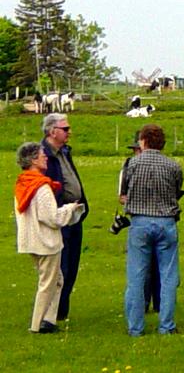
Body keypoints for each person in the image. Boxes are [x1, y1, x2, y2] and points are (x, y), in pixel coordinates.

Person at [14, 142, 84, 333]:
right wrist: (70, 208)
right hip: (45, 241)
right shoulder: (42, 187)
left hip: (30, 240)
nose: (46, 157)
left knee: (57, 279)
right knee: (48, 283)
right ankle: (37, 325)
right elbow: (52, 218)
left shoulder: (23, 183)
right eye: (42, 155)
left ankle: (49, 320)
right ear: (33, 160)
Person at [121, 124, 184, 336]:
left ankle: (135, 327)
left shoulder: (132, 164)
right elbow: (176, 190)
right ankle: (166, 325)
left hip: (140, 221)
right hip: (166, 221)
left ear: (143, 141)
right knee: (168, 276)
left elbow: (125, 189)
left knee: (136, 276)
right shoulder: (173, 166)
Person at [41, 113, 89, 321]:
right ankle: (51, 313)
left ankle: (61, 311)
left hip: (74, 215)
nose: (69, 132)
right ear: (52, 131)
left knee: (72, 265)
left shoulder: (64, 152)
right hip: (59, 216)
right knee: (61, 266)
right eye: (65, 129)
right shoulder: (43, 156)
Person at [118, 131, 161, 314]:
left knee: (158, 264)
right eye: (136, 150)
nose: (139, 153)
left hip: (158, 218)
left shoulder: (160, 165)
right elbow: (121, 196)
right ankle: (141, 303)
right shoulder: (128, 166)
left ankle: (158, 303)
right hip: (141, 218)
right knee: (141, 266)